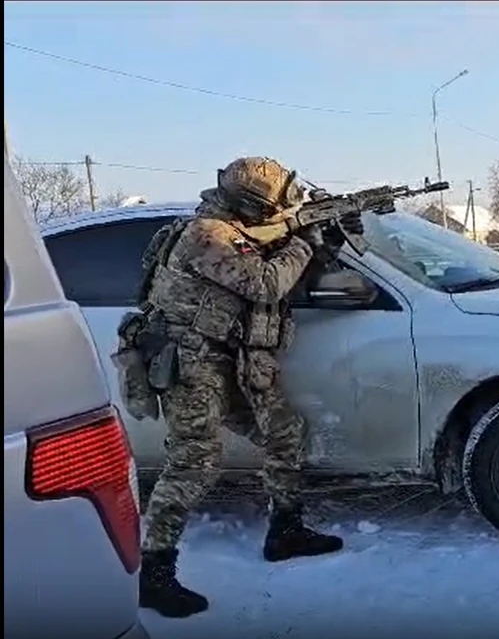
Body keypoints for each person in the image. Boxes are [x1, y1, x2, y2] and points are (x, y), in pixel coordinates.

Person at [132, 157, 364, 619]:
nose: (283, 214)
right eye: (277, 208)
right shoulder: (207, 235)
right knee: (194, 462)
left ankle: (285, 529)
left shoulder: (246, 230)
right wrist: (302, 237)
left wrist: (331, 237)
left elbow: (296, 275)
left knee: (283, 432)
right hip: (190, 359)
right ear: (252, 205)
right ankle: (153, 572)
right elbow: (266, 283)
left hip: (234, 357)